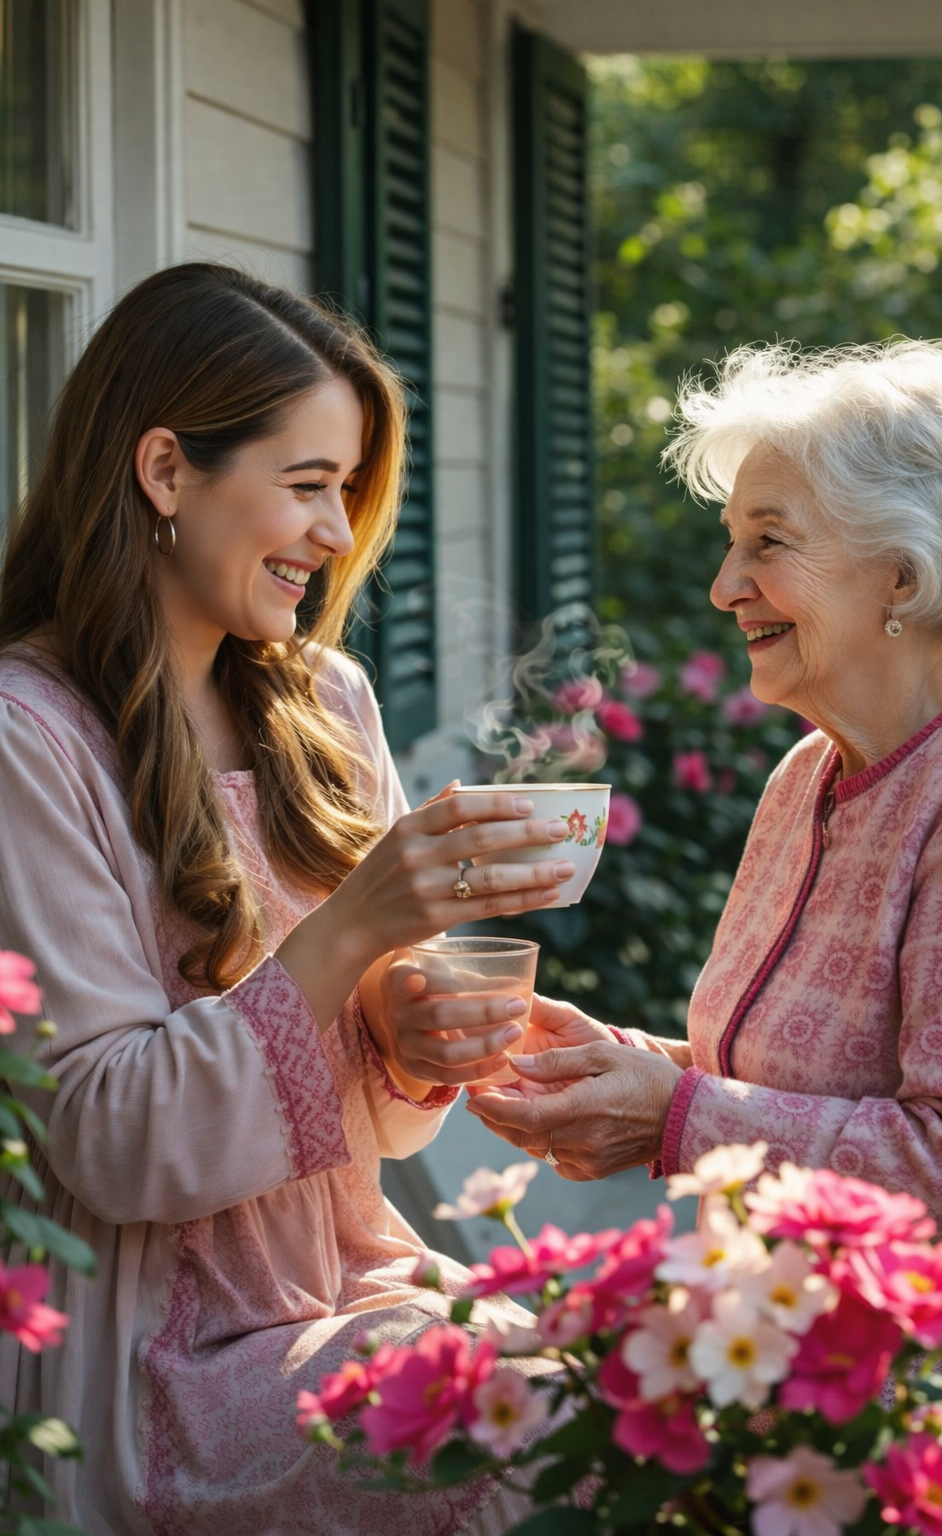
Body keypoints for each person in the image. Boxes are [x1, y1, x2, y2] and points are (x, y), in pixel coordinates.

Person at [0, 263, 579, 1534]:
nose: (336, 534)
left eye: (348, 491)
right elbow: (109, 1141)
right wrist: (356, 926)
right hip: (167, 1360)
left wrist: (411, 1044)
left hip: (345, 1283)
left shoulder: (326, 705)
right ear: (165, 472)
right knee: (548, 1441)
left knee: (621, 1387)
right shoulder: (29, 739)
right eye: (308, 486)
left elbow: (367, 1129)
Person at [382, 338, 942, 1408]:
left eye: (766, 544)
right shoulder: (809, 771)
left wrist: (674, 1114)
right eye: (731, 543)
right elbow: (800, 1074)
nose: (726, 586)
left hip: (938, 1418)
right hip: (783, 1354)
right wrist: (614, 1063)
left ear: (901, 576)